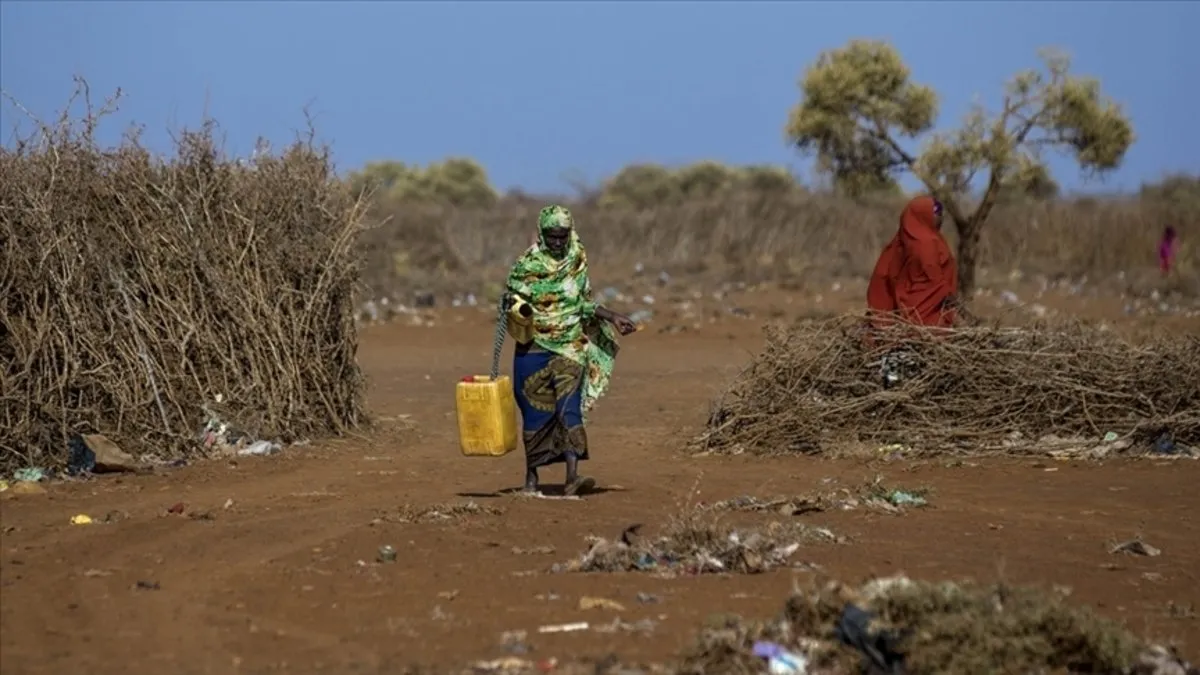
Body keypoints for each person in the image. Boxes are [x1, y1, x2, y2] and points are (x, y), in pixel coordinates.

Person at [504, 205, 637, 496]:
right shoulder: (526, 265)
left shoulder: (577, 258)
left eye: (562, 236)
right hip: (533, 348)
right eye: (551, 236)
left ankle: (572, 477)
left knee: (568, 409)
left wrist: (612, 316)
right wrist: (518, 309)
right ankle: (531, 481)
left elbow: (584, 303)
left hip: (570, 347)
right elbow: (510, 302)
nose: (557, 243)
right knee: (534, 413)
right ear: (541, 233)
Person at [867, 195, 960, 330]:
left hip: (903, 316)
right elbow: (935, 284)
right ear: (922, 215)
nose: (941, 217)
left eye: (941, 211)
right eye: (936, 212)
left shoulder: (902, 243)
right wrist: (957, 310)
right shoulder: (926, 244)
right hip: (926, 320)